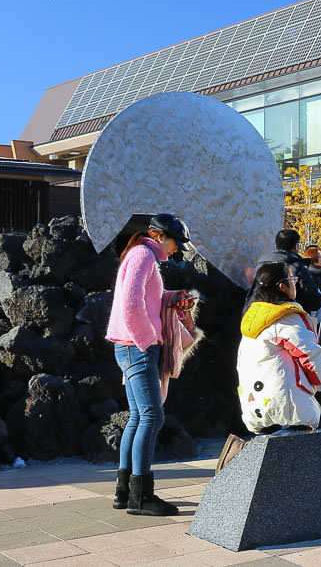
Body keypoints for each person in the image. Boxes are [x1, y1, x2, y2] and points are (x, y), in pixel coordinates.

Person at [106, 213, 194, 516]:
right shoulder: (144, 255)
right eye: (176, 242)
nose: (177, 249)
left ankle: (124, 491)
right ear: (160, 236)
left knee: (137, 417)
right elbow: (131, 306)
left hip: (128, 346)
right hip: (137, 348)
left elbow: (144, 300)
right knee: (151, 417)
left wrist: (172, 298)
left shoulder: (139, 254)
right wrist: (147, 341)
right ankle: (141, 497)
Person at [236, 262, 321, 434]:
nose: (295, 283)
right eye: (292, 279)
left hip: (257, 403)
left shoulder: (254, 316)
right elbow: (307, 351)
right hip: (286, 406)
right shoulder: (284, 316)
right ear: (282, 286)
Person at [245, 229, 321, 316]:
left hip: (256, 317)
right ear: (296, 246)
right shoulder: (297, 267)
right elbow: (314, 301)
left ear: (276, 245)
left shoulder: (259, 266)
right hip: (287, 319)